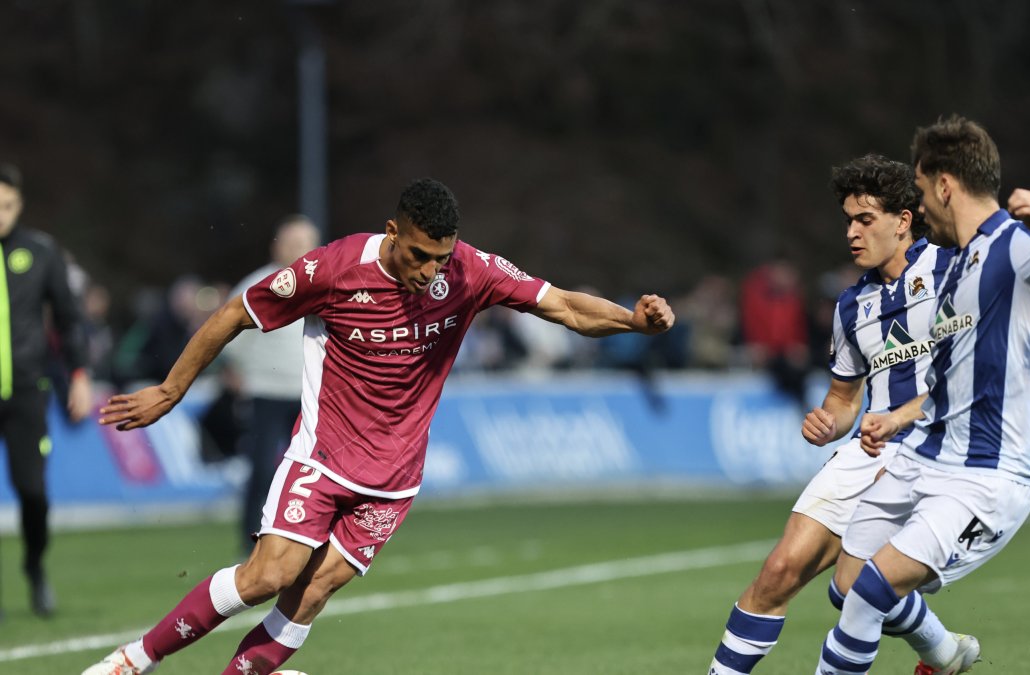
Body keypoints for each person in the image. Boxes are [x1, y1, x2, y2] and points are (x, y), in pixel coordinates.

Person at [82, 178, 674, 675]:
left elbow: (564, 306)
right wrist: (170, 389)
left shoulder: (470, 273)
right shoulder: (333, 268)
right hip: (323, 456)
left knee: (309, 596)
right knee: (269, 576)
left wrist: (632, 323)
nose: (429, 271)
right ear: (392, 234)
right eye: (419, 255)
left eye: (441, 258)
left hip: (394, 479)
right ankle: (132, 660)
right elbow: (237, 312)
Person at [707, 155, 1030, 675]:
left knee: (857, 592)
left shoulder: (955, 263)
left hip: (942, 448)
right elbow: (843, 400)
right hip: (870, 449)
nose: (852, 234)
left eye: (865, 220)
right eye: (847, 221)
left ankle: (941, 652)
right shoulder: (849, 306)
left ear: (904, 220)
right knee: (779, 571)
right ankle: (944, 652)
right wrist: (827, 422)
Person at [814, 116, 1030, 675]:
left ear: (945, 186)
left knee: (874, 590)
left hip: (987, 473)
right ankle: (944, 657)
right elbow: (949, 375)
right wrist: (899, 418)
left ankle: (934, 656)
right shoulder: (958, 265)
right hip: (927, 454)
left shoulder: (1012, 246)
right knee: (849, 586)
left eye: (923, 192)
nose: (920, 207)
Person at [0, 163, 93, 619]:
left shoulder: (40, 251)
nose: (0, 214)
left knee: (33, 493)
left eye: (7, 206)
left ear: (19, 204)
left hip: (26, 394)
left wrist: (79, 373)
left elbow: (70, 317)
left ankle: (35, 567)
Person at [224, 214, 320, 552]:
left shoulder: (324, 282)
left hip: (311, 395)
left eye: (304, 244)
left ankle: (310, 537)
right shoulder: (258, 285)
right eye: (292, 243)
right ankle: (251, 540)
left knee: (316, 472)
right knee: (263, 468)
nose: (298, 251)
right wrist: (236, 372)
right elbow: (227, 334)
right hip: (266, 392)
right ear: (276, 247)